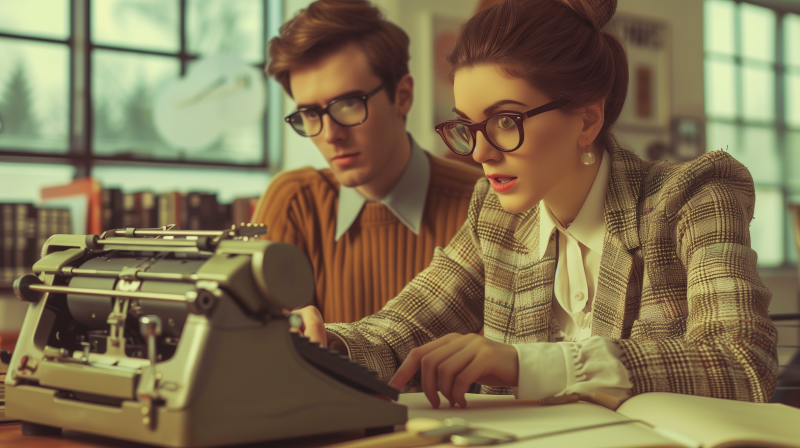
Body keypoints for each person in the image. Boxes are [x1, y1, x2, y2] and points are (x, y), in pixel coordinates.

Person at [293, 0, 778, 409]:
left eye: (505, 120)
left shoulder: (692, 197)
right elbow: (405, 326)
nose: (480, 151)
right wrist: (328, 346)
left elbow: (741, 363)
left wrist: (525, 364)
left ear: (586, 120)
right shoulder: (495, 214)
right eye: (467, 125)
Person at [253, 0, 483, 324]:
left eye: (347, 103)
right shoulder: (294, 202)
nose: (331, 134)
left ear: (402, 96)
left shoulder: (483, 205)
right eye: (309, 113)